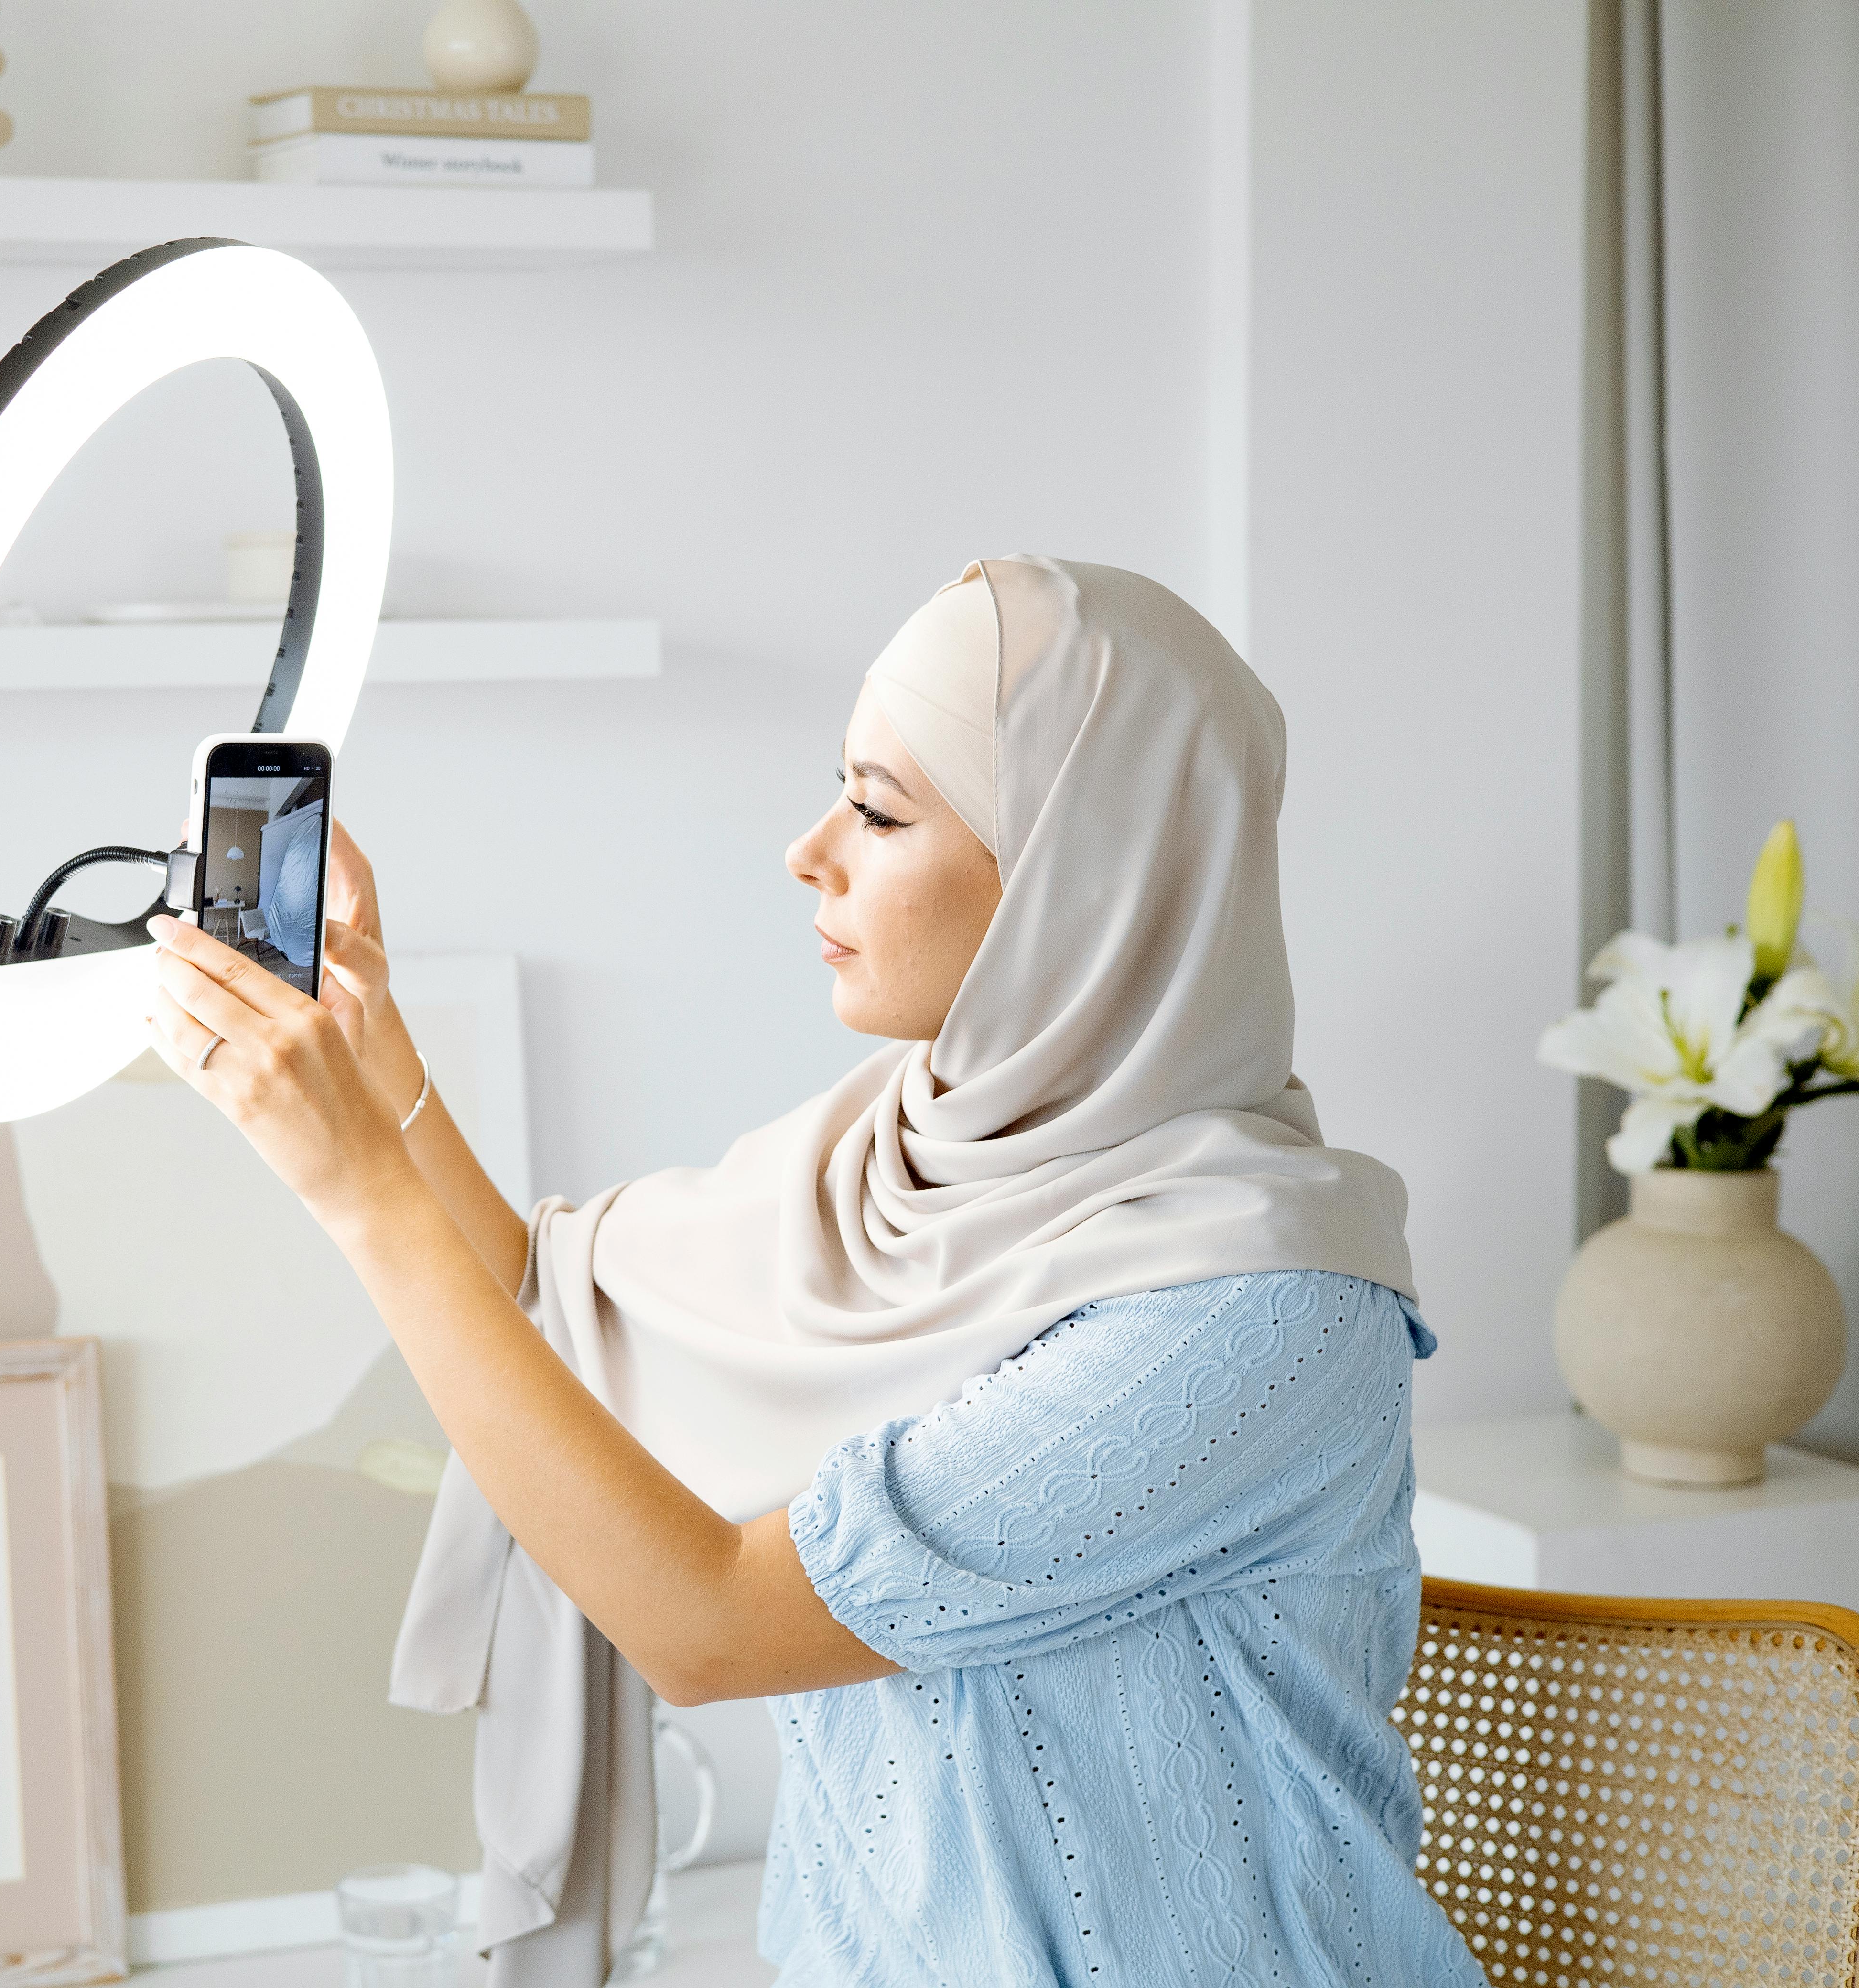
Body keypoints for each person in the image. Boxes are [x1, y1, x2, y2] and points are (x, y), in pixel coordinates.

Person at [144, 557, 1488, 1987]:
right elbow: (558, 1311)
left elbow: (710, 1624)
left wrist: (360, 1196)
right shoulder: (887, 1158)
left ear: (1075, 881)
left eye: (880, 808)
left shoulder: (1260, 1309)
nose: (810, 849)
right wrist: (378, 1048)